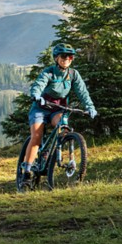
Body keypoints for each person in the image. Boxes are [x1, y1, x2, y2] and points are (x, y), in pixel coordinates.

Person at [20, 43, 97, 180]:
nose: (67, 58)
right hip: (40, 108)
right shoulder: (49, 72)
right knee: (36, 137)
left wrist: (90, 107)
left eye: (70, 56)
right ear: (56, 58)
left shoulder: (73, 74)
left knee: (63, 128)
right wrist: (36, 95)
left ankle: (57, 156)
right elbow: (39, 84)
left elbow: (82, 92)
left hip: (58, 109)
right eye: (63, 56)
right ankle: (27, 168)